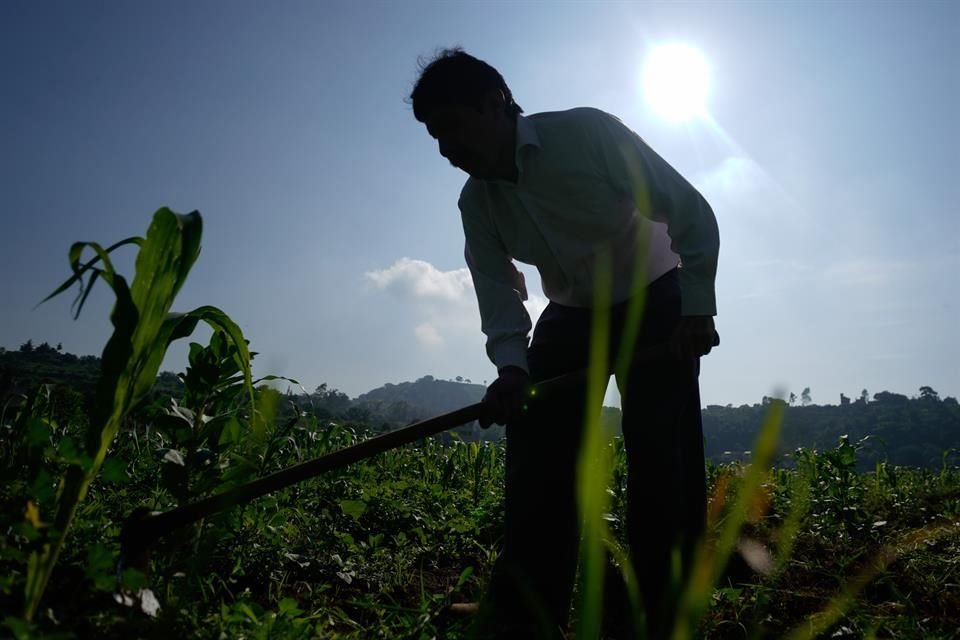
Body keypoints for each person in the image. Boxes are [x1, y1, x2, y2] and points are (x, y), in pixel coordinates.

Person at [409, 48, 720, 639]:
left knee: (662, 455)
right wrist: (511, 368)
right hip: (572, 311)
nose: (446, 148)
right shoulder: (478, 201)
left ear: (495, 103)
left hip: (656, 297)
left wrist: (697, 309)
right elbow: (498, 291)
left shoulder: (586, 134)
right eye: (434, 136)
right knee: (538, 458)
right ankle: (526, 611)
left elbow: (690, 211)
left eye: (453, 127)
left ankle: (664, 613)